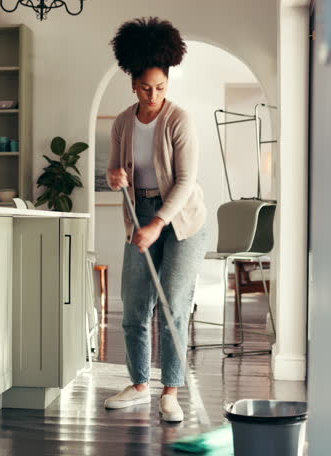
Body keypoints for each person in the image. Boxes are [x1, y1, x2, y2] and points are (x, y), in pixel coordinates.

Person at [103, 17, 208, 423]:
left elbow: (185, 182)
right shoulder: (123, 122)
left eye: (160, 87)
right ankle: (140, 383)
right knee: (134, 308)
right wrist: (114, 177)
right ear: (132, 84)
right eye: (145, 87)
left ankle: (170, 392)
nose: (153, 95)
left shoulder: (179, 121)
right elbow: (115, 172)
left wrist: (158, 223)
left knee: (172, 308)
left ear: (168, 82)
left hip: (183, 222)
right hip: (140, 215)